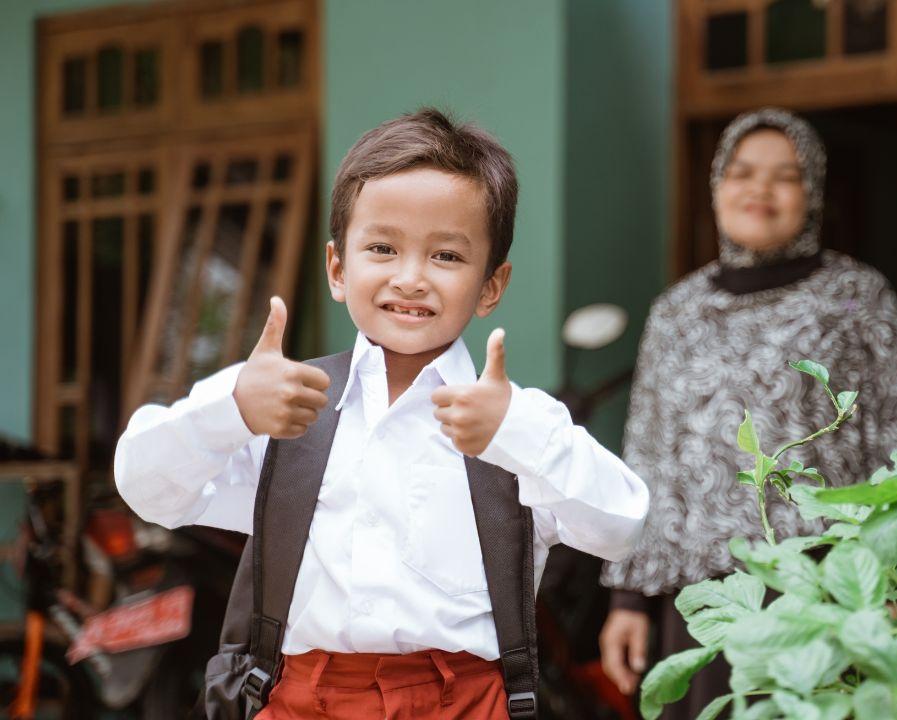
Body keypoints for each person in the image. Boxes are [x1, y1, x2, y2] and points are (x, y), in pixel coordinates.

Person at [114, 108, 650, 719]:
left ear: (490, 286)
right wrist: (231, 408)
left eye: (446, 256)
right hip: (296, 701)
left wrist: (516, 435)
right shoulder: (285, 404)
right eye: (382, 248)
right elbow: (146, 489)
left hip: (466, 705)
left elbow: (622, 525)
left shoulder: (517, 421)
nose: (411, 278)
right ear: (339, 269)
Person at [598, 108, 897, 717]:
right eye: (742, 172)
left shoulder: (856, 297)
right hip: (699, 597)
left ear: (813, 191)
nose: (760, 190)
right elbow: (647, 458)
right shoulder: (678, 311)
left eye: (785, 176)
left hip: (823, 583)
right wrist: (628, 600)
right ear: (717, 184)